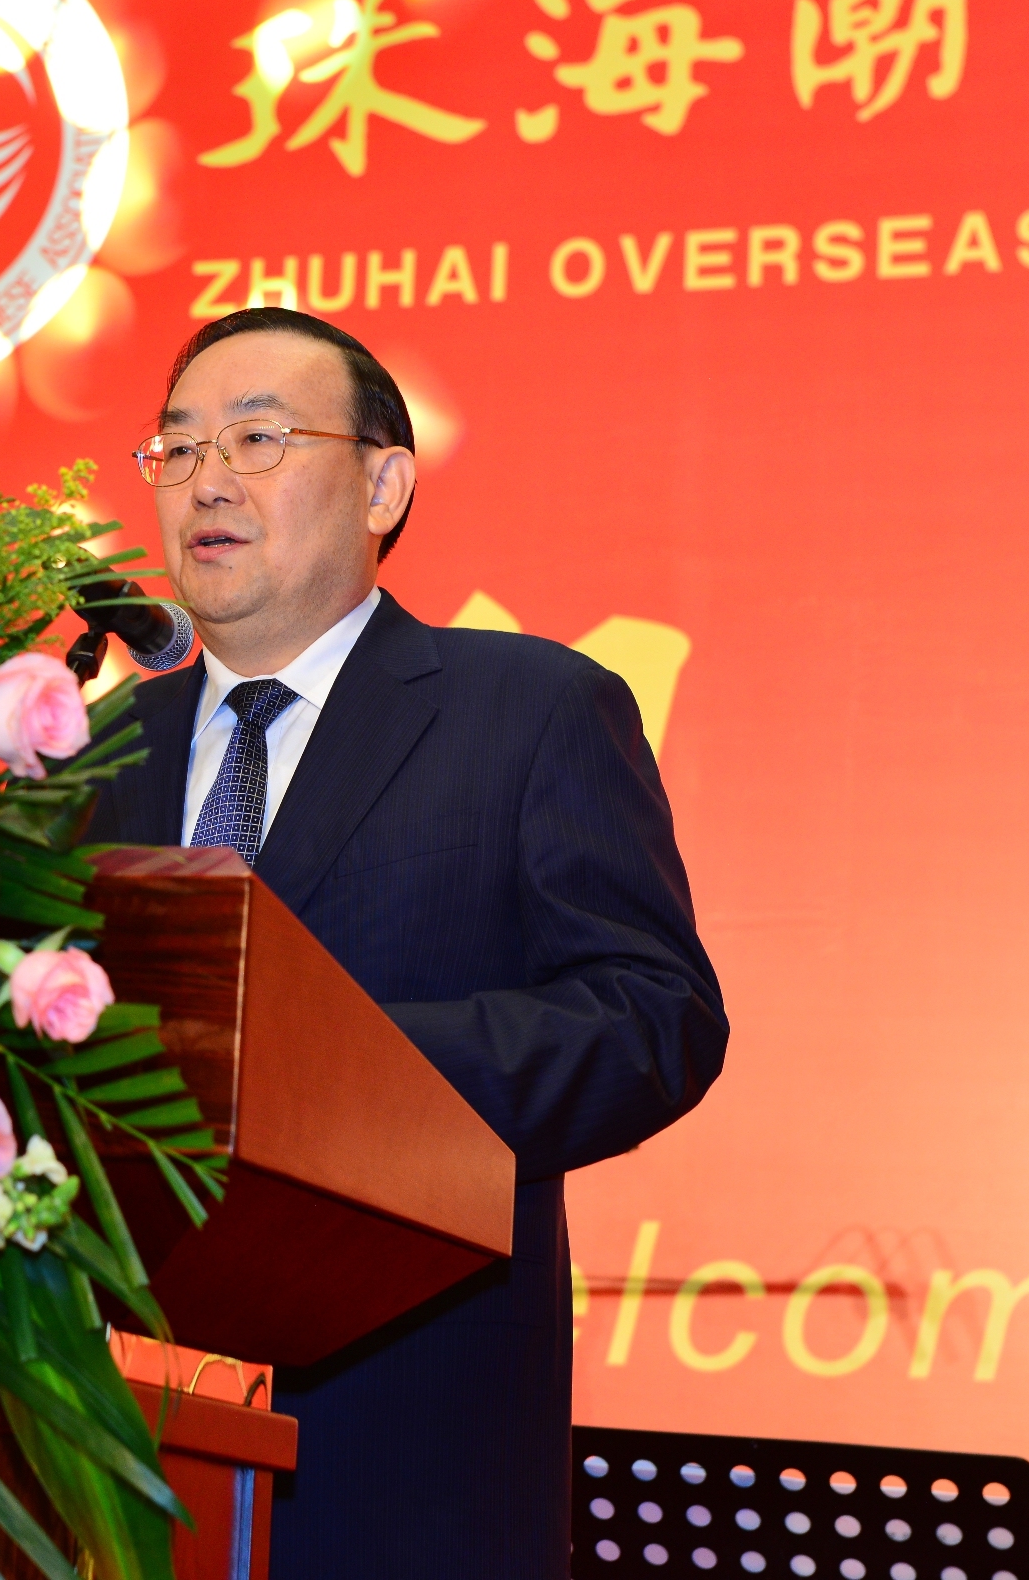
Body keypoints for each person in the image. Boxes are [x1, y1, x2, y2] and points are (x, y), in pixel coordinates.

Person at [83, 308, 727, 1578]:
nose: (206, 481)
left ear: (383, 485)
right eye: (177, 447)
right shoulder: (87, 754)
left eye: (257, 439)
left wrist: (328, 1072)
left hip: (407, 1446)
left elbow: (652, 1017)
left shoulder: (529, 709)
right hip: (107, 1456)